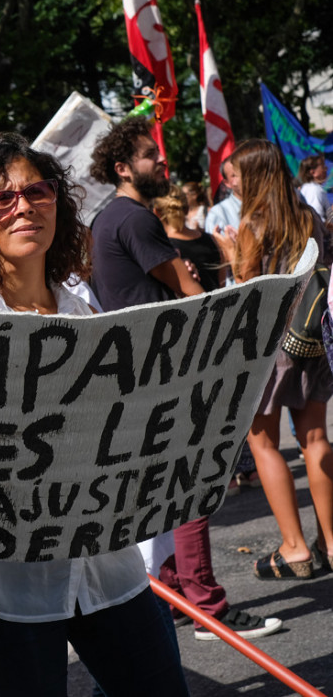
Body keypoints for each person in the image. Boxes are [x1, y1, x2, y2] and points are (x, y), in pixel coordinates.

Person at [0, 133, 188, 695]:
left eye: (37, 190)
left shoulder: (84, 309)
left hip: (110, 569)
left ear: (59, 200)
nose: (23, 206)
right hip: (9, 590)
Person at [89, 118, 280, 641]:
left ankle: (180, 597)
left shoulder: (109, 220)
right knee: (189, 488)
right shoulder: (135, 220)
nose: (162, 161)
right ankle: (207, 605)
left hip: (139, 369)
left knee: (169, 491)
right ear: (123, 169)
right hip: (161, 369)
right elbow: (189, 290)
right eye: (151, 154)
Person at [216, 139, 333, 580]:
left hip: (269, 346)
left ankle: (295, 547)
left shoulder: (253, 224)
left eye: (236, 177)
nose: (232, 186)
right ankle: (332, 540)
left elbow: (249, 289)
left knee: (262, 441)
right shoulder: (307, 217)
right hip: (312, 338)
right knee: (315, 438)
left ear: (255, 176)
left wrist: (231, 256)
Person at [152, 193, 224, 292]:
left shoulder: (166, 248)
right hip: (221, 300)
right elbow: (222, 280)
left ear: (156, 213)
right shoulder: (211, 238)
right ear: (186, 209)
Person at [297, 154, 330, 223]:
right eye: (323, 167)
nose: (326, 169)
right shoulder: (314, 190)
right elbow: (317, 219)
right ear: (313, 172)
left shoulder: (307, 188)